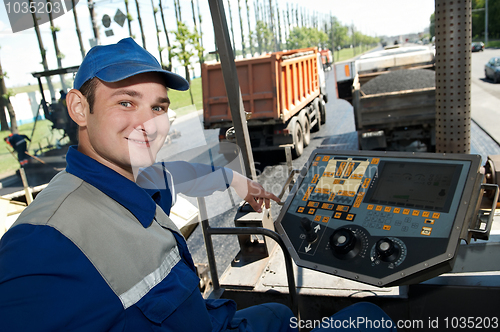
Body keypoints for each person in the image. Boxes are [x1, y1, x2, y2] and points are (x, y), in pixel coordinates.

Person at [0, 38, 395, 331]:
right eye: (125, 102)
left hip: (209, 322)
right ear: (79, 108)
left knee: (277, 312)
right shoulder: (39, 246)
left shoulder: (133, 182)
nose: (147, 123)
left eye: (157, 107)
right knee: (373, 318)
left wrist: (236, 181)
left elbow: (178, 174)